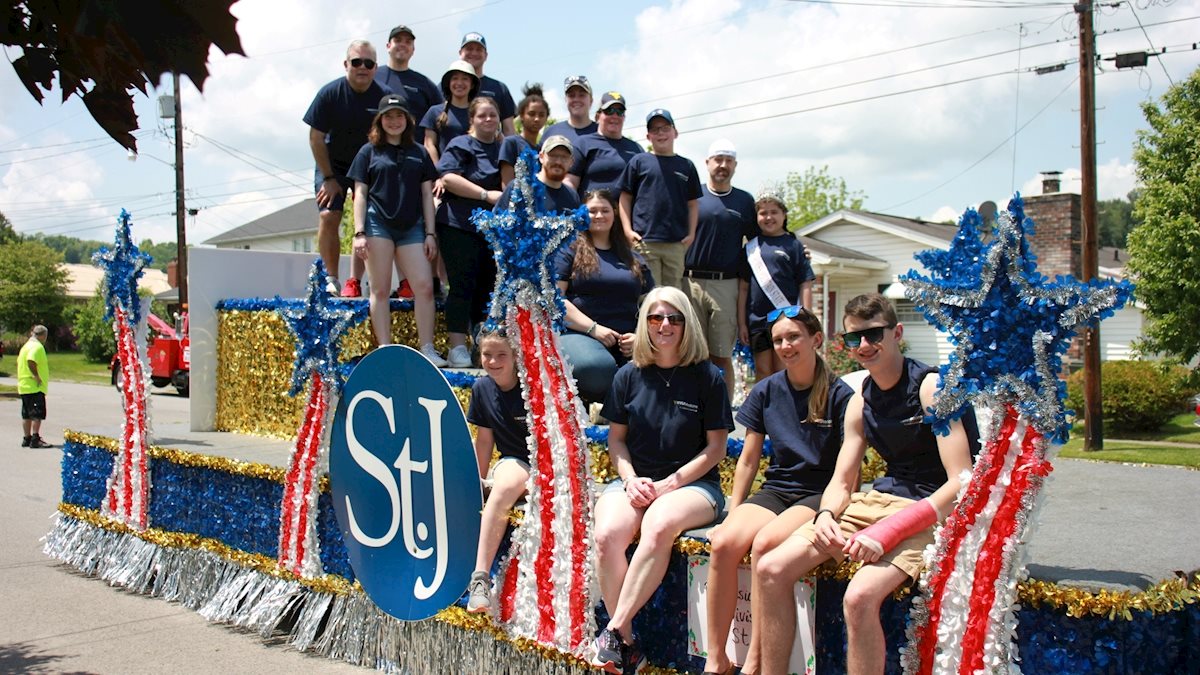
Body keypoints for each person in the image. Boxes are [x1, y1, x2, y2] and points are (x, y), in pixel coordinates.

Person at [754, 293, 980, 674]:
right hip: (879, 502)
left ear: (897, 333)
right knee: (771, 569)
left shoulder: (931, 388)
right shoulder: (860, 401)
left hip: (930, 511)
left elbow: (961, 480)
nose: (863, 346)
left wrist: (893, 530)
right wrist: (825, 514)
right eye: (852, 339)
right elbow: (842, 480)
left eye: (873, 335)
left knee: (858, 597)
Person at [701, 305, 853, 675]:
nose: (786, 345)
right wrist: (733, 511)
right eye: (778, 340)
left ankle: (755, 659)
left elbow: (848, 470)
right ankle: (716, 656)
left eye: (794, 337)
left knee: (765, 543)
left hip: (818, 493)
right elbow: (749, 460)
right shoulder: (767, 390)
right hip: (779, 489)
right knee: (723, 542)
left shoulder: (840, 394)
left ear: (816, 339)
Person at [590, 286, 732, 674]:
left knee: (659, 522)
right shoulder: (627, 376)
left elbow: (717, 448)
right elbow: (616, 441)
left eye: (673, 318)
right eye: (655, 318)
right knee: (606, 535)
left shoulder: (708, 377)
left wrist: (671, 483)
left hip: (694, 486)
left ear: (688, 324)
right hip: (637, 480)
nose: (664, 325)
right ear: (645, 324)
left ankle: (613, 630)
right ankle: (628, 645)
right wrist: (631, 479)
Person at [347, 93, 445, 366]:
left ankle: (427, 348)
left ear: (407, 119)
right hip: (378, 224)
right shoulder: (368, 151)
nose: (394, 121)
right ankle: (385, 348)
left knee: (424, 287)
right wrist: (359, 232)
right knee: (379, 289)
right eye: (388, 116)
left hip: (412, 227)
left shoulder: (419, 152)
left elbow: (428, 195)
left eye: (399, 115)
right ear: (380, 120)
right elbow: (360, 194)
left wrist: (430, 233)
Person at [303, 40, 390, 296]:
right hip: (334, 166)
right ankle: (331, 278)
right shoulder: (329, 94)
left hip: (369, 166)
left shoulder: (384, 97)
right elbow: (315, 137)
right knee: (329, 215)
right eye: (356, 62)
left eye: (369, 63)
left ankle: (363, 280)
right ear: (346, 64)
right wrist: (328, 177)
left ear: (375, 67)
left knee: (373, 221)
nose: (362, 67)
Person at [554, 188, 653, 404]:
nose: (599, 216)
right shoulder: (569, 251)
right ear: (582, 214)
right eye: (592, 211)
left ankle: (611, 406)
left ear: (615, 213)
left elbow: (651, 304)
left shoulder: (633, 257)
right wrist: (593, 328)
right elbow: (555, 300)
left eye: (605, 210)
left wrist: (641, 338)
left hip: (628, 340)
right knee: (597, 369)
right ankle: (610, 404)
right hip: (580, 334)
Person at [684, 138, 759, 397]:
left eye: (728, 160)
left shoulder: (744, 201)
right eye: (718, 159)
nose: (722, 165)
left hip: (726, 285)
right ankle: (693, 410)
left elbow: (759, 242)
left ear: (735, 165)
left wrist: (795, 245)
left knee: (721, 354)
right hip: (689, 282)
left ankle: (722, 414)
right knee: (691, 351)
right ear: (707, 163)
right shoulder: (693, 196)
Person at [436, 97, 503, 368]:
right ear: (472, 120)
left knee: (487, 289)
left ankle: (482, 347)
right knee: (462, 286)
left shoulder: (503, 147)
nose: (488, 119)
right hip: (459, 225)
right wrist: (486, 195)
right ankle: (457, 347)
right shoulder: (460, 145)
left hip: (491, 231)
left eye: (493, 115)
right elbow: (448, 178)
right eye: (482, 115)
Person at [465, 330, 529, 613]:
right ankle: (480, 578)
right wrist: (477, 482)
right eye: (486, 354)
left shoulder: (532, 385)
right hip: (513, 461)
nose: (492, 361)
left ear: (516, 355)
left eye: (501, 354)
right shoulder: (482, 388)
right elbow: (485, 439)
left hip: (545, 463)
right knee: (504, 484)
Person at [618, 108, 701, 292]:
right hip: (645, 241)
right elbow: (625, 197)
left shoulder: (686, 166)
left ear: (675, 132)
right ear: (648, 136)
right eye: (655, 130)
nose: (661, 133)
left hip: (676, 244)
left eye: (665, 128)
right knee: (648, 294)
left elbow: (693, 203)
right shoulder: (639, 161)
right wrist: (627, 230)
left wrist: (692, 234)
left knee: (674, 296)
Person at [738, 190, 814, 382]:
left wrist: (806, 316)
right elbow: (743, 288)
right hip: (757, 321)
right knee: (762, 371)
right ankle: (764, 410)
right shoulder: (750, 248)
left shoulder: (794, 246)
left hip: (786, 318)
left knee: (784, 369)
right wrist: (741, 323)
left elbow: (805, 283)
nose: (769, 217)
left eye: (774, 212)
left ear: (784, 215)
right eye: (763, 213)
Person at [373, 25, 442, 145]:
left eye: (408, 42)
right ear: (388, 46)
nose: (403, 44)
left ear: (413, 49)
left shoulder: (425, 83)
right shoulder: (372, 76)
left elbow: (440, 118)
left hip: (414, 156)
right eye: (398, 40)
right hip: (376, 153)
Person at [565, 91, 643, 194]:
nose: (615, 116)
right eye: (609, 111)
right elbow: (569, 182)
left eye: (620, 111)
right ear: (598, 116)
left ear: (624, 117)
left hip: (627, 210)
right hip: (590, 209)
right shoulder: (583, 144)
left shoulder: (637, 149)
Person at [494, 135, 579, 213]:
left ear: (571, 162)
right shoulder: (519, 188)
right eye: (553, 156)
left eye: (564, 157)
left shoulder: (572, 196)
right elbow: (496, 224)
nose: (558, 162)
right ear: (541, 157)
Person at [420, 60, 480, 164]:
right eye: (455, 78)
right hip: (446, 173)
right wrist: (438, 172)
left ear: (472, 85)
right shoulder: (435, 112)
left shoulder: (479, 113)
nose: (459, 83)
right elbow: (429, 144)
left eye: (465, 79)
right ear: (449, 83)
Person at [457, 32, 517, 136]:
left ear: (486, 56)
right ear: (460, 53)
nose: (474, 53)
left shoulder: (499, 88)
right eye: (469, 49)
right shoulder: (447, 86)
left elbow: (509, 130)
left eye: (479, 50)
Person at [498, 83, 549, 188]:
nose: (536, 119)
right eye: (531, 114)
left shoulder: (543, 149)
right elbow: (507, 185)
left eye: (541, 115)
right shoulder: (511, 143)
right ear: (521, 115)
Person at [19, 325, 52, 448]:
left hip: (24, 385)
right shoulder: (37, 347)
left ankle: (26, 438)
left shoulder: (26, 346)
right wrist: (37, 376)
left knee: (26, 414)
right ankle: (35, 438)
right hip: (34, 386)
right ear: (43, 335)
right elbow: (30, 361)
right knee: (36, 414)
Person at [543, 75, 597, 140]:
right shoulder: (551, 133)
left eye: (581, 95)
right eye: (571, 95)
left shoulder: (602, 133)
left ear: (591, 100)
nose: (576, 99)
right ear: (565, 100)